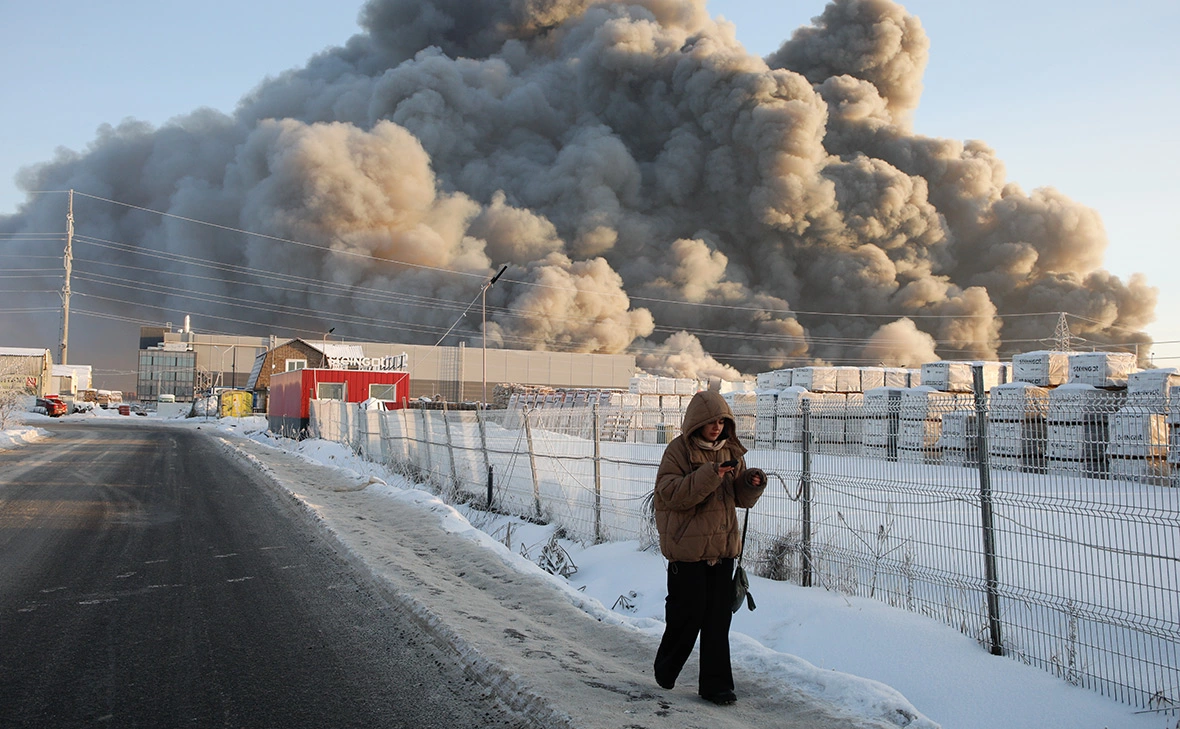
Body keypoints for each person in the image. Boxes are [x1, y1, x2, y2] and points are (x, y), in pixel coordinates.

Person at [652, 388, 766, 705]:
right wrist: (709, 474)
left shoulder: (732, 452)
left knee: (717, 621)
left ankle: (717, 687)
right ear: (696, 422)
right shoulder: (677, 451)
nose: (716, 427)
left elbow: (740, 500)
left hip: (722, 550)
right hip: (687, 551)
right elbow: (670, 494)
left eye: (722, 421)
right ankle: (667, 667)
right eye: (710, 421)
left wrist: (750, 483)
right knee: (686, 617)